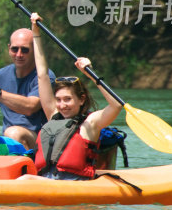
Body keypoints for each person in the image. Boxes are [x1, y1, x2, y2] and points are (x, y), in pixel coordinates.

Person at [25, 12, 124, 180]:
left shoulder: (91, 123)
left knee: (25, 179)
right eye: (59, 100)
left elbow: (116, 105)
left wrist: (91, 74)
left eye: (68, 99)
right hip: (46, 181)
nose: (62, 105)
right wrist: (35, 31)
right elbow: (42, 74)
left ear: (82, 99)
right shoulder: (54, 115)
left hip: (73, 184)